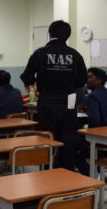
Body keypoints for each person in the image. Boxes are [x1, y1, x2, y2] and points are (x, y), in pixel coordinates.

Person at [21, 20, 87, 170]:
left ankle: (48, 171)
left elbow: (27, 76)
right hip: (68, 101)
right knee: (68, 140)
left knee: (48, 139)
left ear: (49, 34)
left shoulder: (40, 53)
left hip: (47, 100)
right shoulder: (75, 54)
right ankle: (66, 173)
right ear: (68, 36)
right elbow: (82, 80)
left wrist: (32, 85)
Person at [75, 67, 107, 176]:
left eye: (90, 77)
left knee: (71, 146)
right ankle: (104, 168)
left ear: (99, 80)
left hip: (102, 136)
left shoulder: (92, 96)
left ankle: (90, 174)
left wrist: (85, 133)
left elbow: (95, 121)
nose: (86, 80)